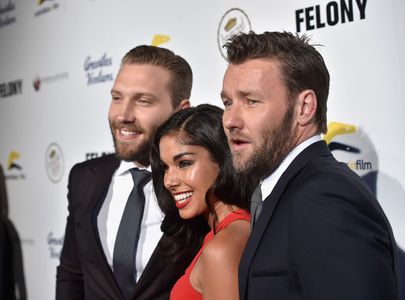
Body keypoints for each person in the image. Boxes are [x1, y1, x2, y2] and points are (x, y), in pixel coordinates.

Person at [220, 31, 400, 300]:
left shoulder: (326, 197)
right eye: (227, 102)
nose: (230, 120)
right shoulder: (283, 192)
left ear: (304, 108)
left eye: (251, 101)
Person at [56, 45, 194, 300]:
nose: (123, 114)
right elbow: (72, 274)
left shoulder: (200, 184)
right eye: (117, 97)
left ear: (181, 111)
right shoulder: (84, 178)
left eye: (142, 100)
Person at [150, 104, 252, 300]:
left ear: (222, 160)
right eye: (165, 167)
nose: (169, 181)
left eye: (184, 163)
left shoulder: (223, 247)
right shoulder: (219, 233)